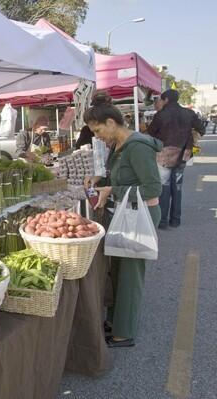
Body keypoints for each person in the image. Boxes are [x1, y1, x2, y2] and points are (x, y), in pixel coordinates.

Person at [83, 93, 162, 348]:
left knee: (129, 275)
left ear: (110, 123)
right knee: (117, 271)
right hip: (124, 214)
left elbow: (152, 188)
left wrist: (111, 191)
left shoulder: (137, 146)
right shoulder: (117, 146)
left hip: (139, 216)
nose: (97, 137)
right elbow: (122, 179)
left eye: (97, 131)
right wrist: (100, 181)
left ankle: (124, 333)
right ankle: (116, 321)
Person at [147, 89, 205, 229]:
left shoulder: (160, 115)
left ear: (166, 99)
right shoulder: (189, 113)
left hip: (164, 156)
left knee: (164, 188)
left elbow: (151, 133)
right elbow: (201, 129)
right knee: (177, 187)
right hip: (183, 155)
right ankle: (176, 220)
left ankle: (163, 221)